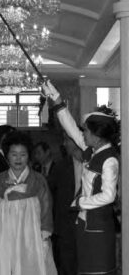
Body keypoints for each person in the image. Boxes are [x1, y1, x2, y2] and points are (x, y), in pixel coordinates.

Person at [42, 80, 120, 275]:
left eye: (86, 130)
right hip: (84, 226)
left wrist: (81, 202)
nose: (82, 133)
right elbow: (71, 130)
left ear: (97, 134)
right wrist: (58, 101)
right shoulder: (93, 151)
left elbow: (109, 195)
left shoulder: (109, 159)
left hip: (98, 229)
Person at [0, 131, 57, 275]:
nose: (18, 159)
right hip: (3, 233)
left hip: (31, 235)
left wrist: (44, 234)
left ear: (29, 156)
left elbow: (46, 207)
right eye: (14, 154)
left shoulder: (38, 180)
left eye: (23, 154)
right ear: (7, 156)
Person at [48, 133, 83, 275]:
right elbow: (48, 190)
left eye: (67, 140)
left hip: (88, 224)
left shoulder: (95, 163)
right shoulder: (61, 166)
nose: (64, 144)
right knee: (67, 265)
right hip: (65, 226)